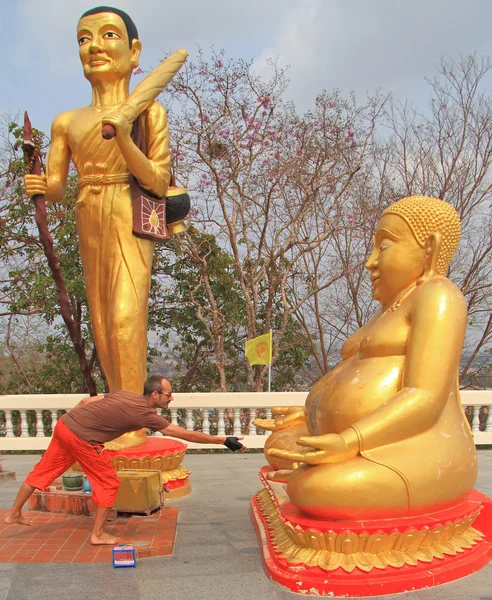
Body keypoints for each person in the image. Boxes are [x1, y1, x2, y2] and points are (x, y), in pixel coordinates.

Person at [24, 7, 187, 450]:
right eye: (83, 39)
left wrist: (124, 137)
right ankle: (119, 414)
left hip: (129, 207)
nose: (94, 46)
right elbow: (58, 185)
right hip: (87, 208)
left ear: (134, 52)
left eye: (108, 35)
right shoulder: (67, 121)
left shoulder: (149, 111)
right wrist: (43, 184)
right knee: (99, 319)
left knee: (124, 317)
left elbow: (157, 178)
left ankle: (135, 420)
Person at [257, 196, 477, 520]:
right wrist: (311, 414)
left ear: (429, 248)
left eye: (384, 246)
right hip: (359, 443)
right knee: (280, 444)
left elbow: (424, 397)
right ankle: (318, 458)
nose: (370, 262)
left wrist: (348, 440)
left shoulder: (438, 295)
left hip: (416, 449)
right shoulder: (385, 310)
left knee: (312, 487)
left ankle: (324, 473)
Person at [4, 375, 244, 545]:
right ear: (155, 394)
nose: (172, 398)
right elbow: (184, 434)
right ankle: (98, 534)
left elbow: (89, 401)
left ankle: (14, 513)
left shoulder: (125, 394)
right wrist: (223, 440)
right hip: (82, 439)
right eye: (168, 394)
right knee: (108, 482)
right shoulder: (146, 414)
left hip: (65, 426)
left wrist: (75, 419)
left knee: (45, 469)